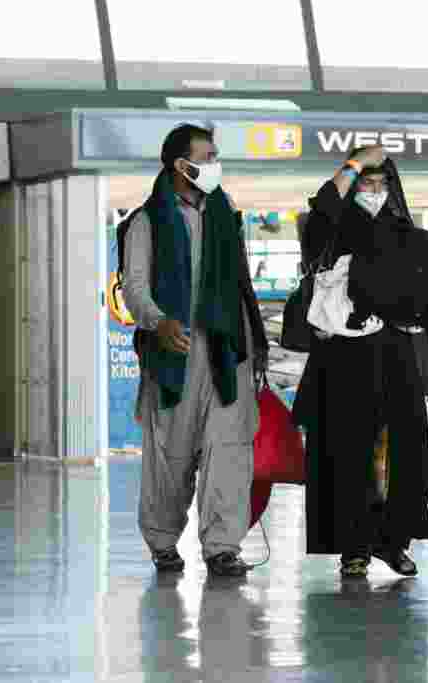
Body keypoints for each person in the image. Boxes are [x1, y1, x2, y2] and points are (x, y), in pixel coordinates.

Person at [292, 145, 428, 579]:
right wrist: (353, 164)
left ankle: (393, 541)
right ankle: (353, 546)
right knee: (348, 453)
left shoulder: (414, 240)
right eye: (366, 183)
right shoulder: (330, 231)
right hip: (345, 361)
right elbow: (323, 208)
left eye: (383, 184)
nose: (375, 191)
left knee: (404, 454)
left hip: (396, 358)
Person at [122, 123, 268, 577]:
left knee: (229, 449)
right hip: (175, 353)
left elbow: (240, 285)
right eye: (205, 157)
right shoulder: (147, 222)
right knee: (172, 454)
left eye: (213, 156)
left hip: (226, 351)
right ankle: (163, 541)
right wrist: (158, 322)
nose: (212, 165)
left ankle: (222, 546)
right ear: (179, 164)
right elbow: (135, 287)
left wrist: (255, 343)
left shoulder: (226, 214)